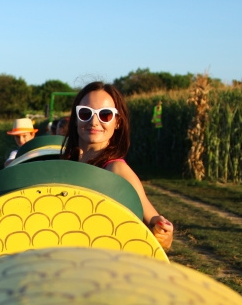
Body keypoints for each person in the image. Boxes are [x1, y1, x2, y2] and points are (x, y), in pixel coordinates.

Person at [61, 82, 174, 250]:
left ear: (118, 122)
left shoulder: (116, 170)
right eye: (85, 113)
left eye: (105, 115)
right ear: (76, 119)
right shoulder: (66, 162)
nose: (94, 121)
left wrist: (163, 231)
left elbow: (151, 220)